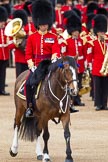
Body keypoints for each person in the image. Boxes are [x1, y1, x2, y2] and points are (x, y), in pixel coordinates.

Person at [25, 0, 60, 118]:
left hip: (50, 64)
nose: (44, 26)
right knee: (28, 83)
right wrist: (31, 66)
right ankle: (30, 106)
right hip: (37, 65)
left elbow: (56, 50)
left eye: (46, 24)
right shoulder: (32, 37)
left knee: (63, 80)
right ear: (38, 23)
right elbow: (28, 53)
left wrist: (54, 59)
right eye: (42, 24)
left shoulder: (53, 37)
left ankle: (66, 104)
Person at [86, 14, 108, 110]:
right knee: (97, 87)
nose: (102, 33)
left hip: (106, 67)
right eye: (100, 31)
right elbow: (89, 55)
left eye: (103, 31)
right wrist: (89, 66)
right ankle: (98, 104)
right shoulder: (93, 42)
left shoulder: (107, 41)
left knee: (105, 87)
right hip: (97, 67)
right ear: (96, 32)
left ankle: (104, 104)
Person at [65, 10, 86, 107]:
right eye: (75, 31)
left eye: (78, 31)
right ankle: (71, 100)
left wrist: (85, 62)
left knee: (79, 82)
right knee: (71, 82)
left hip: (80, 64)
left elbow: (84, 53)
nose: (77, 33)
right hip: (71, 65)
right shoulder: (67, 41)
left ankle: (77, 99)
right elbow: (65, 53)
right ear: (71, 31)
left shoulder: (81, 41)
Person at [0, 6, 11, 95]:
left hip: (5, 55)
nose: (2, 23)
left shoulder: (6, 30)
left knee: (3, 73)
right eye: (1, 21)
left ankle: (2, 89)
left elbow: (10, 41)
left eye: (3, 21)